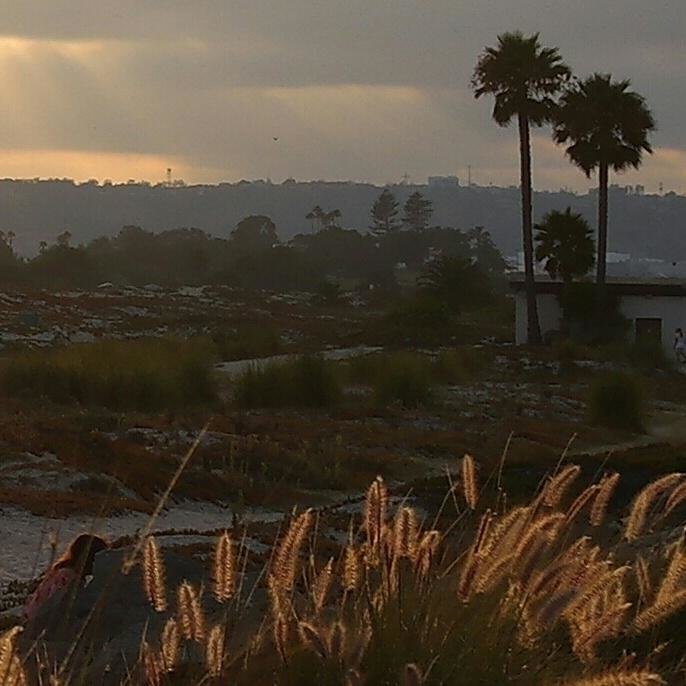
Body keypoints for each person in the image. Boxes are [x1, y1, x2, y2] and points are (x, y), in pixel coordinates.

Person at [24, 534, 108, 623]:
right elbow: (53, 604)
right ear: (90, 559)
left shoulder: (61, 572)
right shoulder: (68, 577)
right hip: (40, 626)